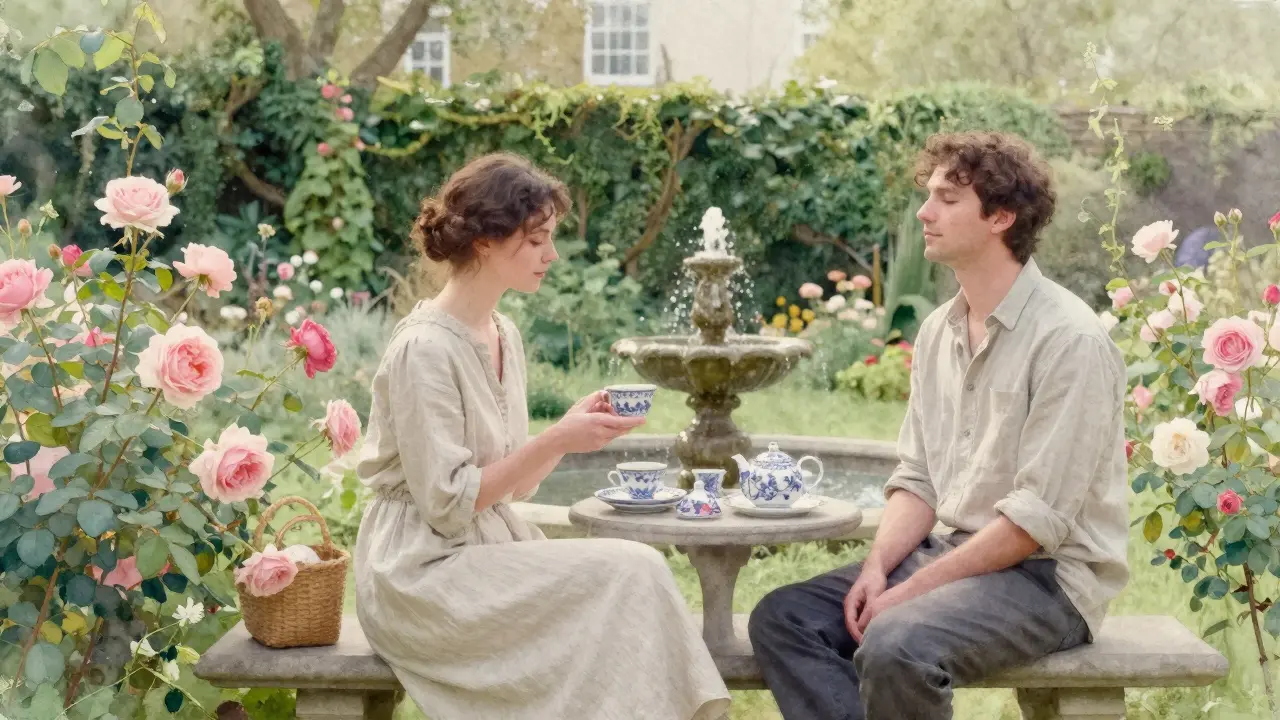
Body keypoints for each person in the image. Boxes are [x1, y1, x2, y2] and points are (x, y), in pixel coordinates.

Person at [748, 131, 1130, 719]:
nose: (925, 213)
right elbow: (919, 477)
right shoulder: (937, 331)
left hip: (1049, 581)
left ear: (1001, 216)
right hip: (954, 552)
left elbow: (1034, 522)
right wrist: (877, 569)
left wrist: (908, 592)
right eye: (928, 196)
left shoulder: (1069, 340)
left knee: (899, 644)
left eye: (948, 200)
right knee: (785, 618)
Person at [354, 152, 731, 720]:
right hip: (420, 574)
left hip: (485, 550)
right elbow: (448, 503)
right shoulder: (424, 350)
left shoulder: (503, 333)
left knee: (628, 582)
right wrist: (557, 439)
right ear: (484, 241)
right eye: (537, 240)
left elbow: (512, 489)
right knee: (632, 569)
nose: (551, 255)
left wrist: (571, 433)